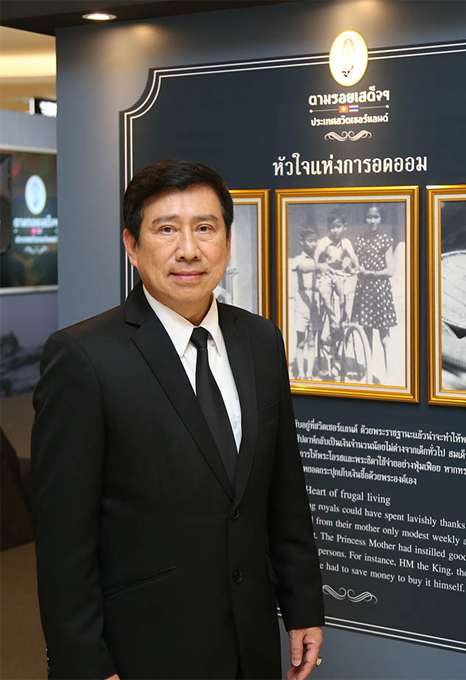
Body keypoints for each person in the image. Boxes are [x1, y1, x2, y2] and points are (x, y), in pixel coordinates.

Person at [31, 159, 324, 680]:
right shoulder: (83, 358)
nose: (188, 249)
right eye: (166, 229)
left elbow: (283, 491)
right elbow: (62, 541)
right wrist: (86, 665)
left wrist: (302, 605)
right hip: (144, 649)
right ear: (131, 245)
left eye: (205, 228)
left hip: (250, 639)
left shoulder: (260, 340)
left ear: (227, 242)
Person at [351, 203, 397, 382]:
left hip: (380, 290)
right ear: (365, 218)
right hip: (364, 290)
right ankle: (368, 374)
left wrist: (372, 273)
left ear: (381, 218)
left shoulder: (385, 240)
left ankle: (389, 376)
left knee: (384, 336)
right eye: (369, 217)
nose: (372, 220)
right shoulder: (360, 240)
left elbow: (390, 270)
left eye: (376, 217)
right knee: (366, 335)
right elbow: (355, 264)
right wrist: (356, 269)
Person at [314, 210, 359, 349]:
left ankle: (342, 321)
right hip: (326, 274)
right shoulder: (324, 241)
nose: (335, 230)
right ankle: (333, 321)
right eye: (332, 227)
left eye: (338, 226)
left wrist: (356, 267)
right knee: (325, 295)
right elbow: (317, 254)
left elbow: (353, 255)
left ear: (344, 227)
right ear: (328, 228)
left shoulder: (346, 242)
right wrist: (318, 266)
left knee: (343, 294)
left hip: (339, 273)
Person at [291, 228, 319, 380]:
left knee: (312, 340)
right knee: (301, 339)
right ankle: (301, 373)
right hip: (302, 302)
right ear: (302, 242)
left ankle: (309, 373)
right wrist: (319, 266)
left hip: (316, 301)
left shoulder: (319, 258)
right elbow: (302, 269)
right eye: (310, 240)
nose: (313, 244)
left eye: (315, 240)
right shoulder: (298, 259)